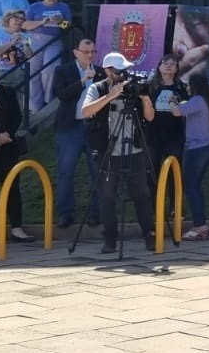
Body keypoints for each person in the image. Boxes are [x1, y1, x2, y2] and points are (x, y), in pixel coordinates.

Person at [82, 52, 156, 254]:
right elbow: (85, 111)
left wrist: (145, 99)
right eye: (118, 71)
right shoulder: (97, 88)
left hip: (135, 149)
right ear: (108, 71)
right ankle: (110, 240)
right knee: (107, 196)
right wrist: (111, 96)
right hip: (109, 150)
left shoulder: (133, 87)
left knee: (141, 193)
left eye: (125, 71)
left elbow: (149, 117)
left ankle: (149, 235)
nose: (123, 75)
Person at [52, 38, 103, 228]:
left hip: (94, 127)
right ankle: (65, 213)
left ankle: (95, 213)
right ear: (76, 52)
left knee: (97, 171)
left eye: (93, 52)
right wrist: (83, 80)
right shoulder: (63, 70)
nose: (90, 55)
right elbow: (62, 94)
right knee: (66, 171)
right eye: (85, 52)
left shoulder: (100, 72)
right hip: (70, 127)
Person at [0, 62, 35, 244]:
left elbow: (17, 116)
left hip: (7, 145)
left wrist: (6, 134)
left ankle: (16, 228)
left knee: (12, 185)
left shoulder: (7, 92)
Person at [171, 72, 209, 241]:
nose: (187, 87)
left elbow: (177, 112)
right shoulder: (206, 101)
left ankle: (199, 225)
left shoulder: (197, 100)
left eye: (189, 85)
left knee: (191, 186)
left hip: (198, 148)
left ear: (195, 86)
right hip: (208, 146)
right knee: (195, 186)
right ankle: (201, 224)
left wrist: (171, 101)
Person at [23, 0, 71, 111]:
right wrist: (41, 22)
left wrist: (60, 21)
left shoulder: (63, 7)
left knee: (50, 70)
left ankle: (48, 100)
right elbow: (25, 25)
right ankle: (34, 108)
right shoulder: (34, 7)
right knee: (33, 74)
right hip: (35, 39)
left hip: (54, 41)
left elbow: (68, 26)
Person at [146, 55, 188, 181]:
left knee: (174, 173)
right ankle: (152, 200)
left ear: (177, 69)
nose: (169, 65)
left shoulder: (182, 89)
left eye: (173, 64)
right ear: (159, 67)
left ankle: (174, 200)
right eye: (165, 63)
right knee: (152, 173)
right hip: (153, 136)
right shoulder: (150, 88)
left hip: (174, 137)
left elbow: (185, 110)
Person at [0, 9, 30, 83]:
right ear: (8, 19)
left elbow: (29, 55)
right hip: (0, 71)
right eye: (16, 18)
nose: (19, 21)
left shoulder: (26, 35)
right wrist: (11, 43)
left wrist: (25, 43)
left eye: (22, 19)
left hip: (19, 72)